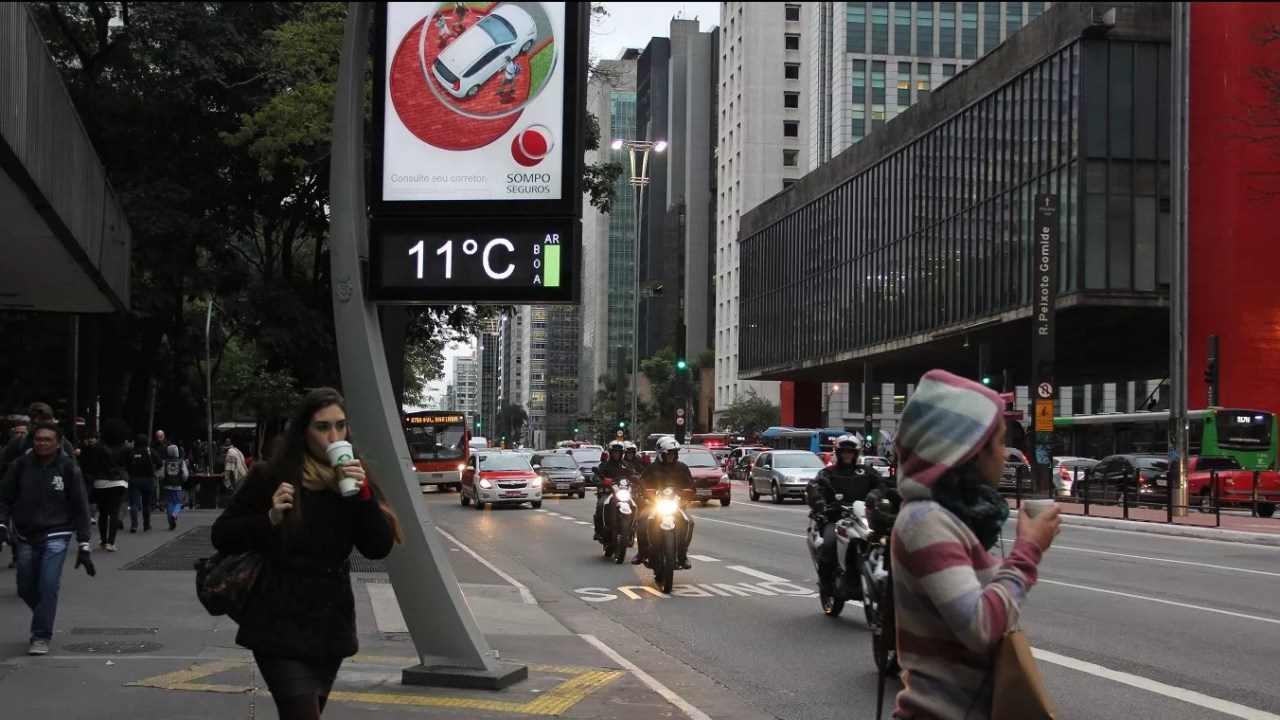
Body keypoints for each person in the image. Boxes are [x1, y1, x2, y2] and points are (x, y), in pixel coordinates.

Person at [211, 387, 402, 720]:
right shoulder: (272, 476)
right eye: (323, 427)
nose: (333, 435)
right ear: (303, 431)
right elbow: (222, 535)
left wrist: (364, 497)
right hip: (278, 620)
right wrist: (269, 519)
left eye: (340, 426)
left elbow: (377, 547)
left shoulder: (354, 479)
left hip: (329, 622)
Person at [890, 370, 1061, 720]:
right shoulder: (926, 522)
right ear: (968, 454)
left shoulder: (950, 519)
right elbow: (980, 626)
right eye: (998, 443)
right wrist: (1028, 549)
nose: (1005, 455)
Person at [0, 422, 95, 656]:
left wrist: (84, 543)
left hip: (57, 532)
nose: (42, 443)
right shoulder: (20, 466)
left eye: (47, 440)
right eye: (38, 439)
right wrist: (2, 525)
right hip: (25, 533)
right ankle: (44, 612)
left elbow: (81, 506)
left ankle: (41, 634)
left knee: (49, 584)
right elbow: (5, 498)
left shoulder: (68, 468)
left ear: (59, 443)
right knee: (25, 586)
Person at [806, 434, 879, 595]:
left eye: (850, 452)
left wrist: (878, 496)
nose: (847, 454)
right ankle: (825, 583)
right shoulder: (828, 472)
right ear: (838, 453)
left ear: (856, 453)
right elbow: (813, 486)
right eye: (844, 451)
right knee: (830, 544)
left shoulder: (867, 472)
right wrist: (819, 503)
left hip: (862, 518)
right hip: (836, 518)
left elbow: (883, 486)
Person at [632, 436, 695, 569]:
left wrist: (687, 494)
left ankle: (682, 555)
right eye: (668, 454)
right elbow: (641, 485)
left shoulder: (682, 468)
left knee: (689, 522)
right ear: (661, 454)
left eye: (673, 453)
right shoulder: (651, 468)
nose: (671, 456)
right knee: (642, 519)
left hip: (676, 505)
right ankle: (642, 553)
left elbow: (691, 486)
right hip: (654, 504)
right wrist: (644, 493)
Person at [92, 419, 132, 552]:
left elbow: (95, 463)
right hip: (119, 480)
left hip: (101, 480)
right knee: (114, 511)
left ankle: (103, 540)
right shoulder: (126, 447)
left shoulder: (100, 446)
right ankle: (111, 542)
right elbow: (130, 464)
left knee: (102, 512)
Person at [592, 441, 639, 541]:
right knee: (601, 504)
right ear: (610, 453)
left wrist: (637, 482)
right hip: (609, 492)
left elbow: (634, 476)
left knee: (636, 504)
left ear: (622, 453)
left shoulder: (627, 465)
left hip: (624, 492)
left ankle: (632, 528)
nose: (616, 454)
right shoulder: (604, 465)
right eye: (614, 452)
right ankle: (598, 530)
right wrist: (599, 481)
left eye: (618, 452)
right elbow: (597, 476)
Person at [127, 434, 161, 533]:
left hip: (133, 479)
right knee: (146, 504)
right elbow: (160, 463)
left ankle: (134, 523)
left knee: (134, 503)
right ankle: (146, 524)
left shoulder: (130, 452)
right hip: (148, 479)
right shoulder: (150, 451)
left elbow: (124, 464)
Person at [161, 444, 188, 530]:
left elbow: (161, 475)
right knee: (178, 502)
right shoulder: (181, 462)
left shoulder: (164, 462)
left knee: (169, 503)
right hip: (177, 484)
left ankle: (171, 524)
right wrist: (183, 479)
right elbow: (185, 474)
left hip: (167, 484)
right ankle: (175, 514)